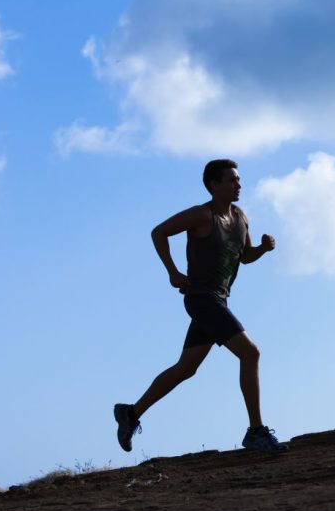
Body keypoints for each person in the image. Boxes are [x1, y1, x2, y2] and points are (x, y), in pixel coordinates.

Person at [113, 159, 288, 455]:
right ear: (213, 185)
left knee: (186, 368)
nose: (238, 185)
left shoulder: (241, 217)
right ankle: (256, 431)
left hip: (218, 299)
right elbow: (159, 232)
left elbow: (244, 256)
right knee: (250, 352)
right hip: (201, 299)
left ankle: (130, 413)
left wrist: (262, 249)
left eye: (238, 179)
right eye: (231, 180)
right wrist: (172, 272)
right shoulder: (201, 215)